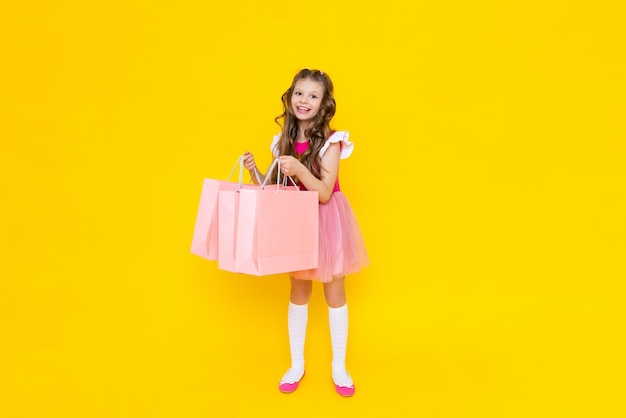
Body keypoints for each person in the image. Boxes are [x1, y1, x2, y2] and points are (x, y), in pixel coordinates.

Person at [242, 69, 369, 397]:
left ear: (324, 103)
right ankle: (297, 363)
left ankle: (338, 366)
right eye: (300, 93)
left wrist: (299, 168)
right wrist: (256, 170)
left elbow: (325, 192)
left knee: (334, 293)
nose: (304, 100)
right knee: (298, 291)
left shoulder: (332, 142)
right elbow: (273, 190)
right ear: (290, 95)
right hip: (295, 222)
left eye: (313, 96)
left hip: (326, 222)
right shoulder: (282, 139)